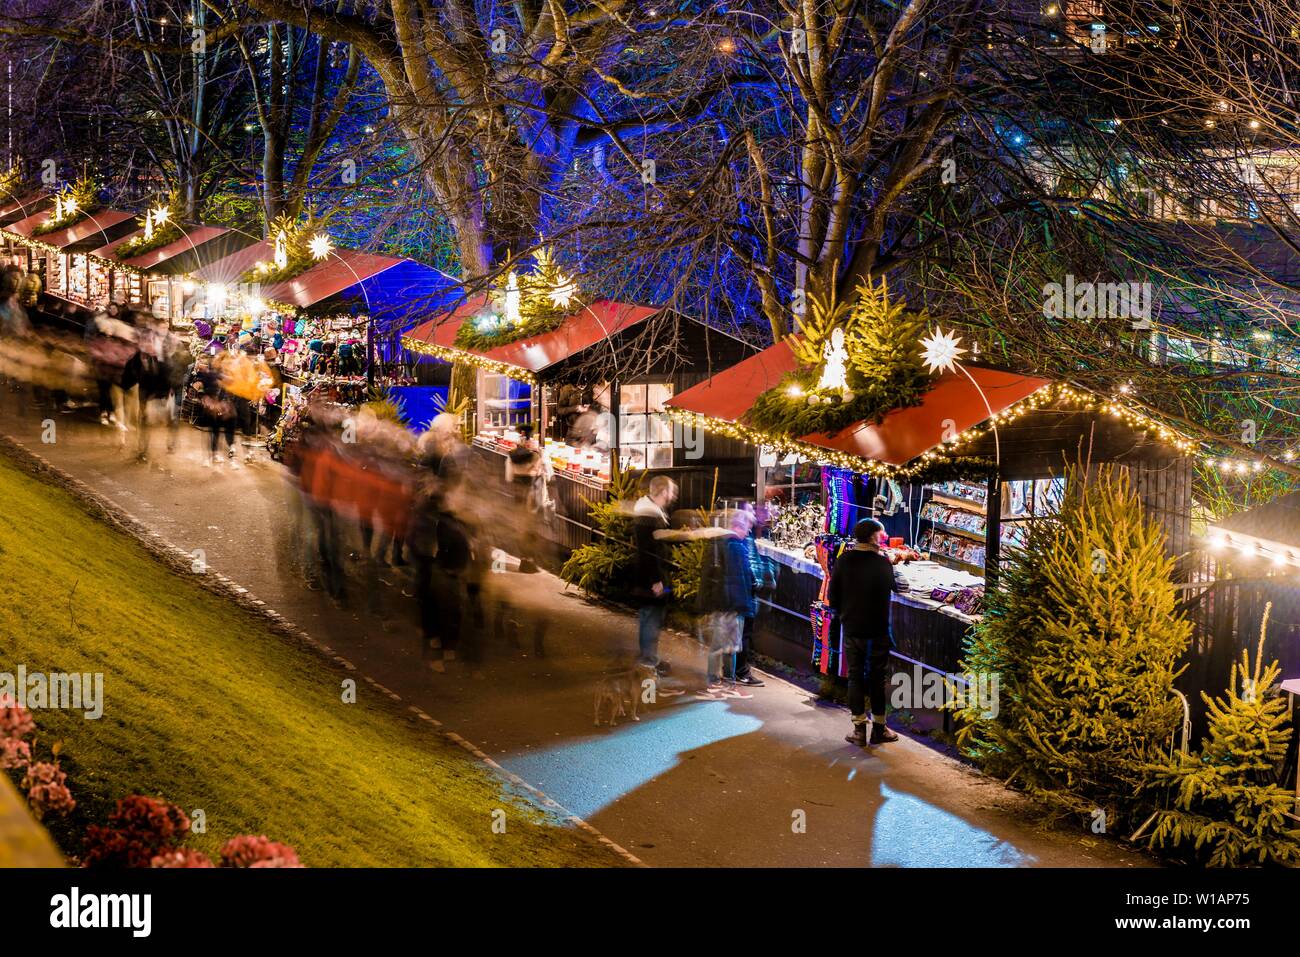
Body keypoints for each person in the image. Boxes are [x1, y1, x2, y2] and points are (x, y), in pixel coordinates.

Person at [828, 518, 910, 747]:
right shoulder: (882, 563)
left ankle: (859, 729)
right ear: (874, 537)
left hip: (852, 628)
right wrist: (895, 563)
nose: (883, 538)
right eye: (881, 535)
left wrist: (844, 614)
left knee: (855, 676)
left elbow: (833, 596)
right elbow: (901, 587)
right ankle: (880, 729)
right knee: (876, 679)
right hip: (876, 631)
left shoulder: (844, 560)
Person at [694, 508, 758, 699]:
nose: (748, 532)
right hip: (729, 605)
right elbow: (738, 580)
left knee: (728, 646)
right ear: (738, 526)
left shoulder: (725, 543)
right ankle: (716, 683)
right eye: (747, 527)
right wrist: (743, 604)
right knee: (723, 645)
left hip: (727, 603)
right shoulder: (733, 545)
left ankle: (725, 683)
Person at [632, 474, 678, 674]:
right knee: (651, 616)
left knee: (650, 616)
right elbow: (648, 551)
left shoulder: (649, 511)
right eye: (671, 491)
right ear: (663, 491)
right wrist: (656, 580)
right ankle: (648, 661)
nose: (673, 495)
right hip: (650, 577)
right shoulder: (648, 515)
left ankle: (649, 658)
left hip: (650, 575)